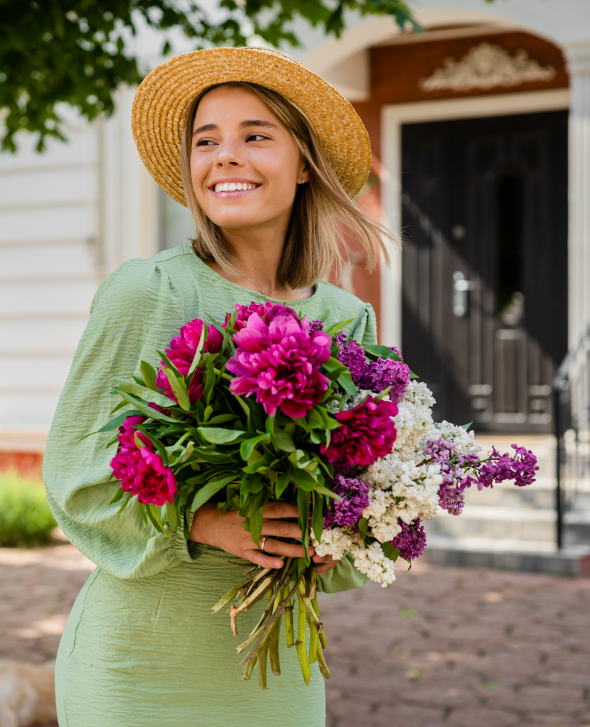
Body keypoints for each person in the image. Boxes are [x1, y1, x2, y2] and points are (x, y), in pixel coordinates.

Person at [43, 47, 392, 726]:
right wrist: (202, 521)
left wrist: (340, 536)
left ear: (304, 163)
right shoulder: (150, 290)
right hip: (139, 668)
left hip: (279, 673)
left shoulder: (349, 321)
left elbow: (371, 494)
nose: (224, 156)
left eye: (255, 136)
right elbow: (76, 470)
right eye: (207, 141)